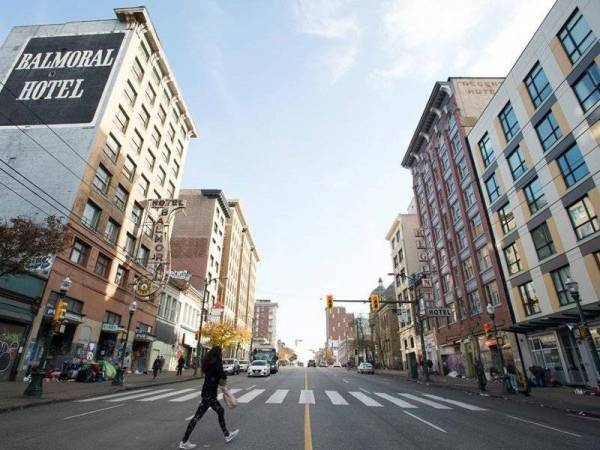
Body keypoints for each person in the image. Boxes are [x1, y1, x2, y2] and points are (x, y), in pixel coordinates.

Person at [179, 346, 239, 449]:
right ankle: (184, 441)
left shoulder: (209, 361)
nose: (222, 354)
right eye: (221, 352)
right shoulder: (216, 361)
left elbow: (215, 374)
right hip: (209, 394)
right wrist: (224, 378)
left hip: (208, 392)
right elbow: (222, 374)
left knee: (220, 411)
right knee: (197, 417)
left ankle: (227, 435)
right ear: (218, 352)